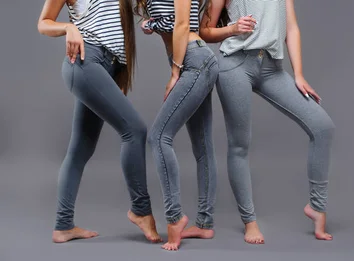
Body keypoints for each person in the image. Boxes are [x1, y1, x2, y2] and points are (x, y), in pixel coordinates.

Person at [200, 0, 335, 243]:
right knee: (240, 145)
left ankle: (317, 207)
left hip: (272, 68)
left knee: (322, 127)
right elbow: (205, 30)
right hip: (235, 64)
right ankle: (249, 222)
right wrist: (232, 29)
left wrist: (299, 74)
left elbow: (291, 29)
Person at [37, 0, 161, 243]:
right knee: (134, 130)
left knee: (80, 149)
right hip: (86, 62)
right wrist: (68, 28)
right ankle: (141, 210)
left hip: (108, 67)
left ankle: (63, 226)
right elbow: (43, 24)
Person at [136, 0, 219, 251]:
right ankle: (204, 224)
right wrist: (150, 23)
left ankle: (174, 219)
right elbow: (171, 21)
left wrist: (175, 73)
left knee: (159, 137)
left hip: (193, 61)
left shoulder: (183, 64)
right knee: (203, 147)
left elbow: (182, 23)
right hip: (191, 60)